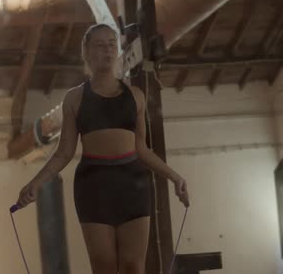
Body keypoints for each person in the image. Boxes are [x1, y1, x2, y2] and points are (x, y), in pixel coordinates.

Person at [16, 23, 190, 274]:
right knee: (104, 267)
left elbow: (142, 148)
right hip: (93, 186)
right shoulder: (74, 98)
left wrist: (176, 178)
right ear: (86, 52)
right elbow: (64, 153)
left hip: (133, 183)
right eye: (99, 45)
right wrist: (35, 182)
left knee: (133, 266)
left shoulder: (136, 95)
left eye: (112, 44)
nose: (107, 50)